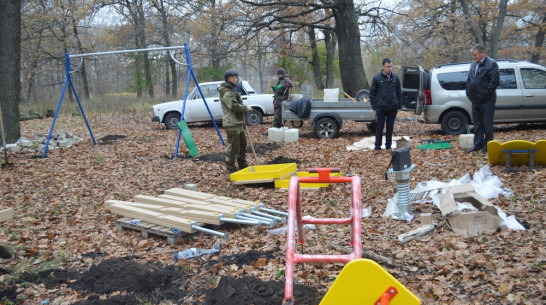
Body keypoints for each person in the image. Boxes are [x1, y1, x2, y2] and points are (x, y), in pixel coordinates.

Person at [465, 44, 500, 153]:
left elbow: (494, 82)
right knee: (477, 124)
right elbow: (469, 80)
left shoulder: (492, 64)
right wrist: (468, 92)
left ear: (482, 53)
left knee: (487, 124)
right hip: (475, 100)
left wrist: (485, 94)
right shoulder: (473, 65)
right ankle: (477, 144)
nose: (473, 57)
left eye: (475, 55)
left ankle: (487, 145)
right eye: (473, 55)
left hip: (487, 100)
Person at [218, 69, 253, 173]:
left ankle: (243, 165)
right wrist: (246, 108)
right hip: (232, 123)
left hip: (238, 122)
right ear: (230, 78)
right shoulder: (226, 92)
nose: (237, 79)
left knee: (242, 146)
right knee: (233, 147)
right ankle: (231, 168)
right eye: (235, 77)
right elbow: (233, 106)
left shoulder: (232, 89)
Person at [369, 58, 402, 150]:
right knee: (379, 127)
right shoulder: (377, 78)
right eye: (388, 67)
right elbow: (372, 93)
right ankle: (377, 146)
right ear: (383, 67)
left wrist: (398, 104)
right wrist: (375, 106)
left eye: (391, 66)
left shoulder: (395, 77)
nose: (390, 68)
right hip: (381, 107)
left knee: (390, 128)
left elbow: (399, 91)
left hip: (393, 107)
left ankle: (388, 146)